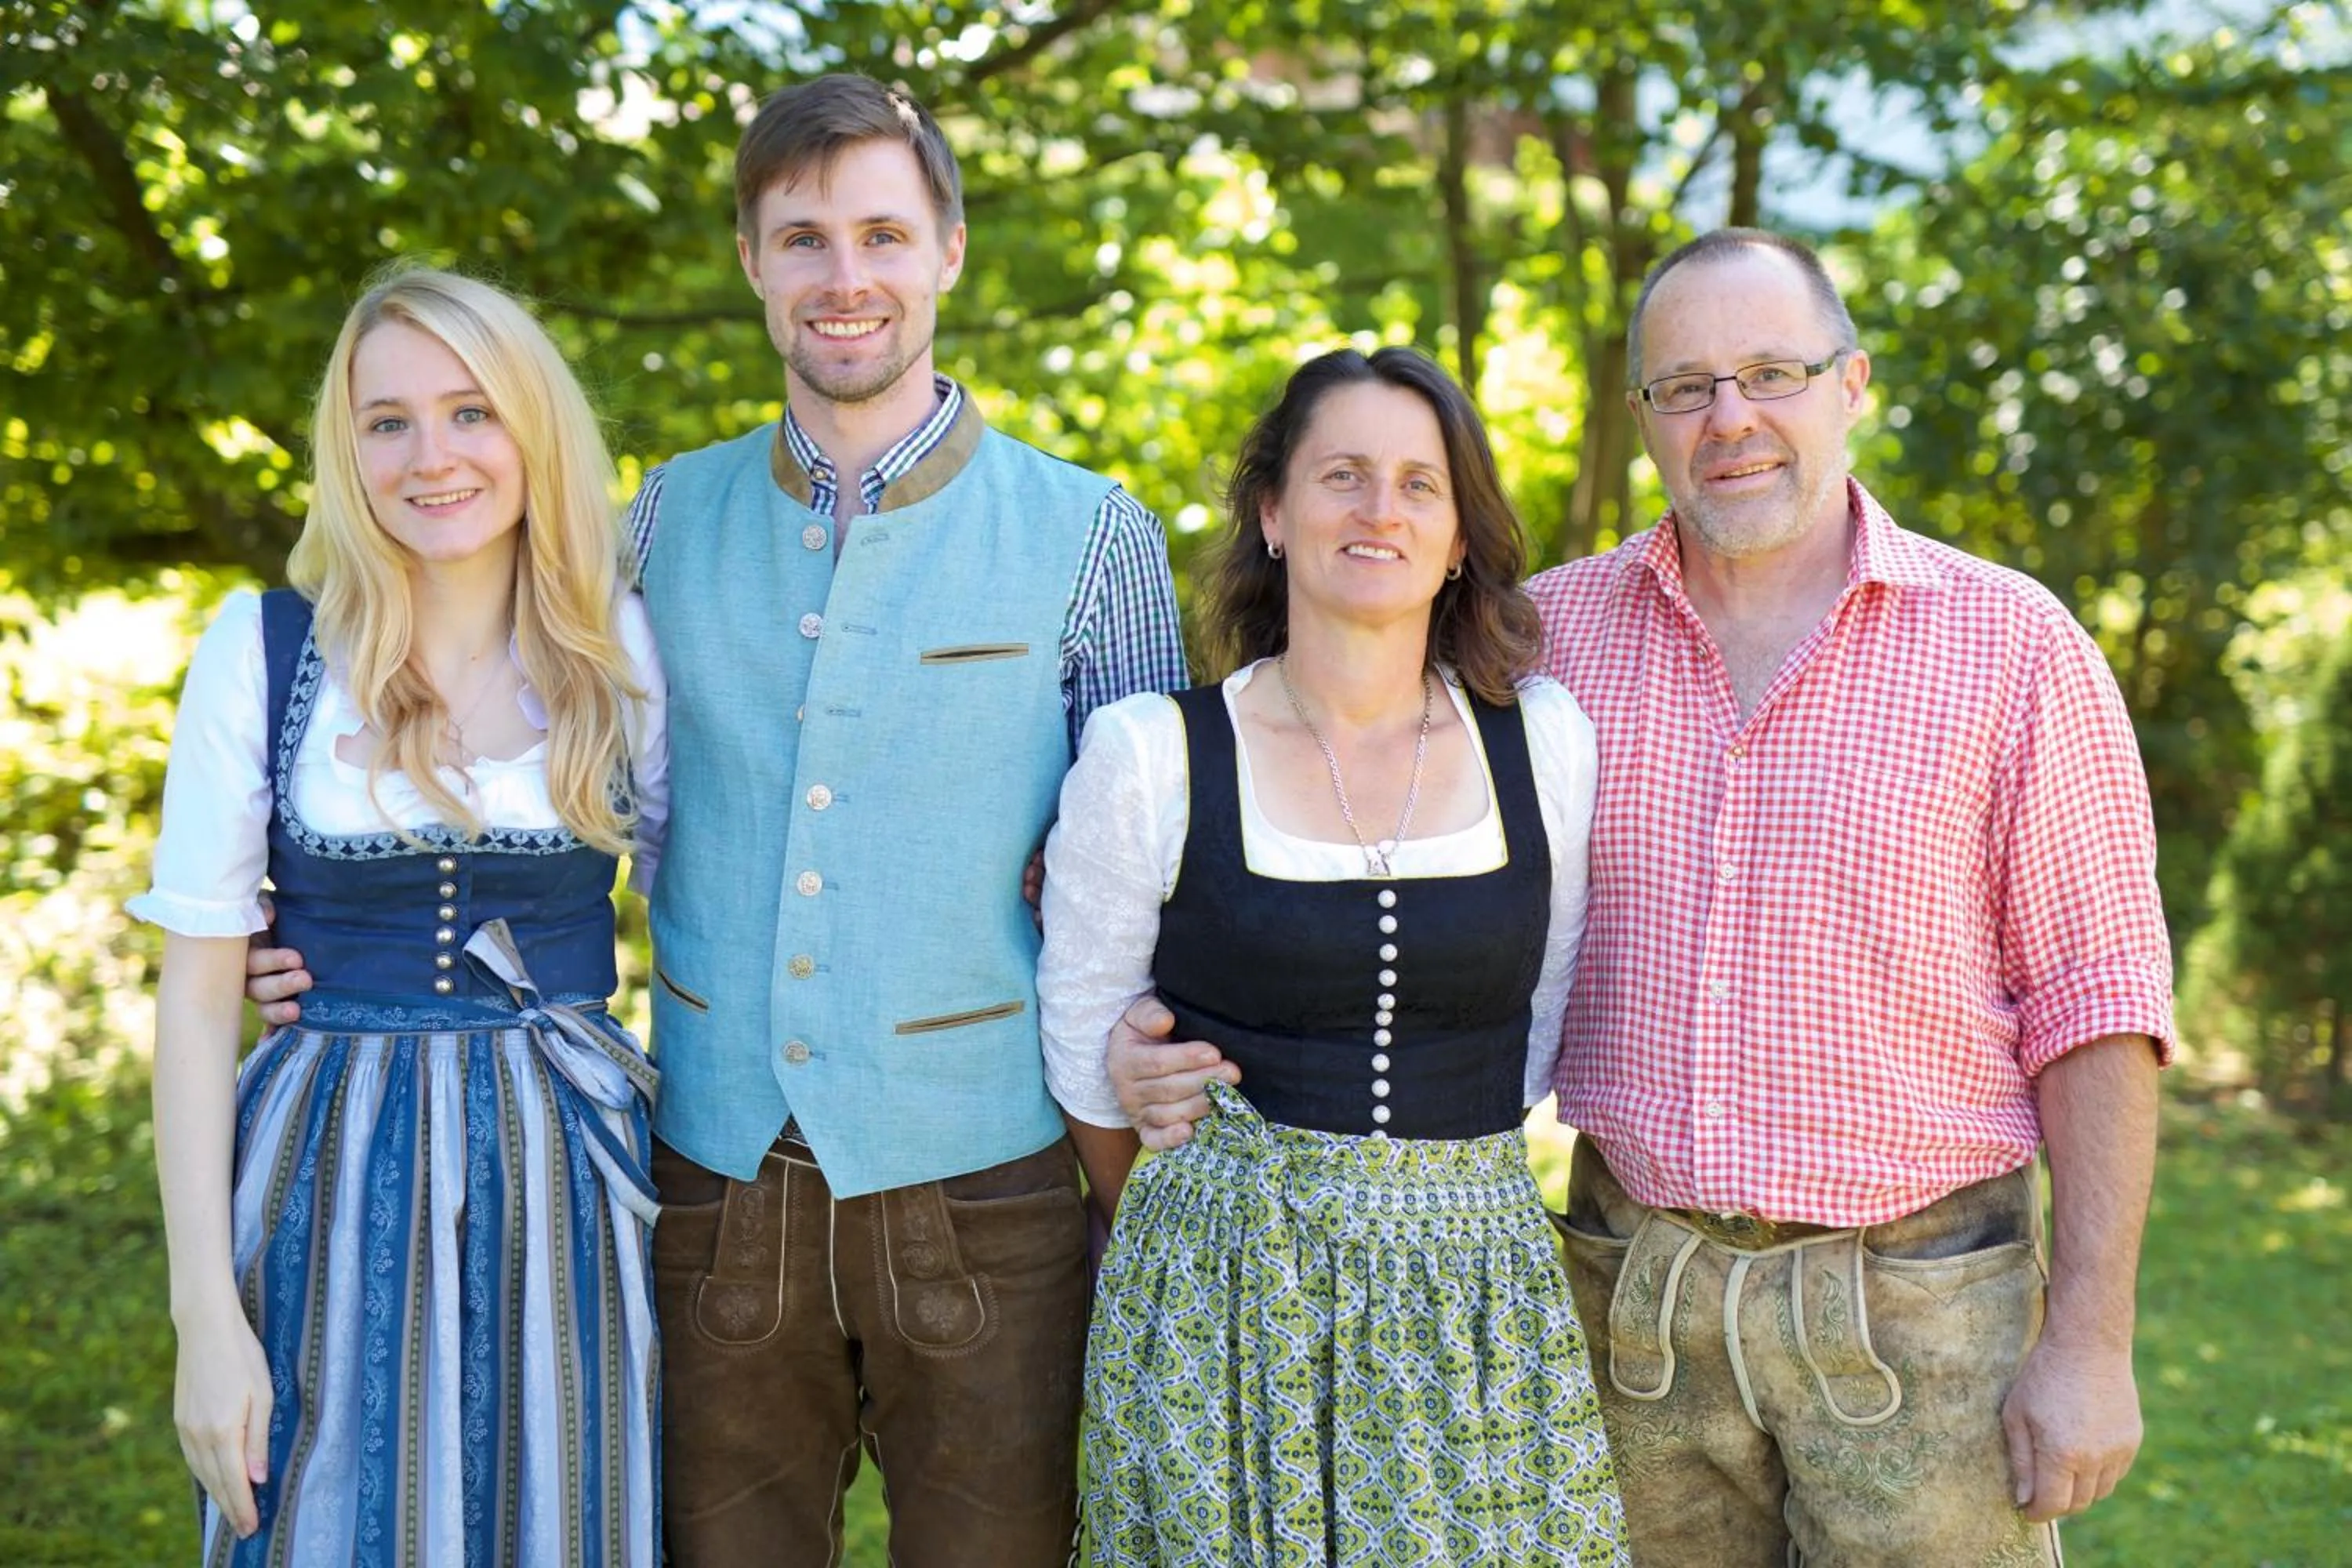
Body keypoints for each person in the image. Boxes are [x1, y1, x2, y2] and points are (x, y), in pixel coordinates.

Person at [1106, 229, 2172, 1567]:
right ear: (1646, 416)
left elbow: (2101, 1003)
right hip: (1628, 1300)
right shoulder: (1545, 647)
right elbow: (1333, 778)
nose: (1731, 419)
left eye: (1772, 372)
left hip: (1919, 1311)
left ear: (1851, 385)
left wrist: (2090, 1340)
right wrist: (1131, 950)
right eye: (1687, 386)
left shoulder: (2014, 649)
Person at [247, 74, 1185, 1566]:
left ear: (950, 247)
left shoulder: (1092, 536)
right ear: (753, 263)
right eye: (801, 238)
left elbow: (1150, 881)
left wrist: (1148, 1053)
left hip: (992, 1187)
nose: (846, 276)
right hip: (707, 1178)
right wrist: (309, 928)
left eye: (883, 232)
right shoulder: (656, 525)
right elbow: (513, 763)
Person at [1039, 346, 1627, 1565]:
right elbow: (1086, 1053)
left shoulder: (1547, 744)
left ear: (1461, 534)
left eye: (1421, 484)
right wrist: (1195, 1231)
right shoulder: (1151, 755)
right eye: (1342, 475)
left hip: (1477, 1299)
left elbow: (1541, 1020)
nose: (1379, 510)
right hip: (1216, 1313)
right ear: (1272, 511)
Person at [136, 267, 667, 1566]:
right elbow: (199, 1004)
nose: (432, 457)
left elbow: (725, 918)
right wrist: (205, 1319)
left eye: (471, 413)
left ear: (533, 431)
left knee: (565, 1517)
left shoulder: (620, 656)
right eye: (388, 422)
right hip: (326, 1165)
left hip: (566, 1173)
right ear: (348, 449)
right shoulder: (262, 652)